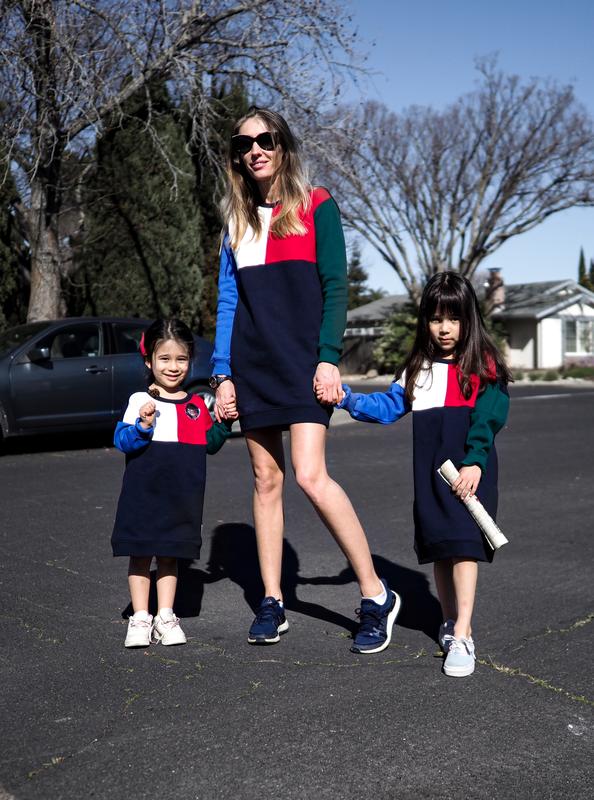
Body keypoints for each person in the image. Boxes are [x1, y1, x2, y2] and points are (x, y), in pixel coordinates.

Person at [211, 106, 400, 652]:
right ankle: (272, 601)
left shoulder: (317, 204)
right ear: (236, 157)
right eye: (244, 144)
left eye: (265, 139)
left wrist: (328, 357)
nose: (255, 150)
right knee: (265, 480)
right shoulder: (236, 222)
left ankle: (376, 595)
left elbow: (336, 287)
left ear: (284, 145)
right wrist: (222, 374)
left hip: (303, 365)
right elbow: (228, 302)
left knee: (311, 476)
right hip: (252, 367)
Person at [332, 272, 511, 677]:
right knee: (441, 549)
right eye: (436, 318)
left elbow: (489, 417)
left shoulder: (483, 365)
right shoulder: (418, 368)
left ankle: (463, 633)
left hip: (470, 474)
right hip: (431, 477)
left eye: (454, 318)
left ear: (469, 318)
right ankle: (448, 622)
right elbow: (387, 407)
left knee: (464, 547)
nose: (445, 328)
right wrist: (347, 398)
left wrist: (475, 461)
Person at [111, 319, 232, 648]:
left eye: (181, 358)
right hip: (143, 496)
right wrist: (143, 426)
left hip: (182, 499)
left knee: (169, 555)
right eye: (164, 358)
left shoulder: (196, 406)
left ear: (190, 360)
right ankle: (140, 617)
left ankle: (165, 616)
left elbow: (210, 443)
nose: (173, 366)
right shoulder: (139, 400)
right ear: (149, 361)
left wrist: (225, 422)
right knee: (140, 554)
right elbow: (122, 441)